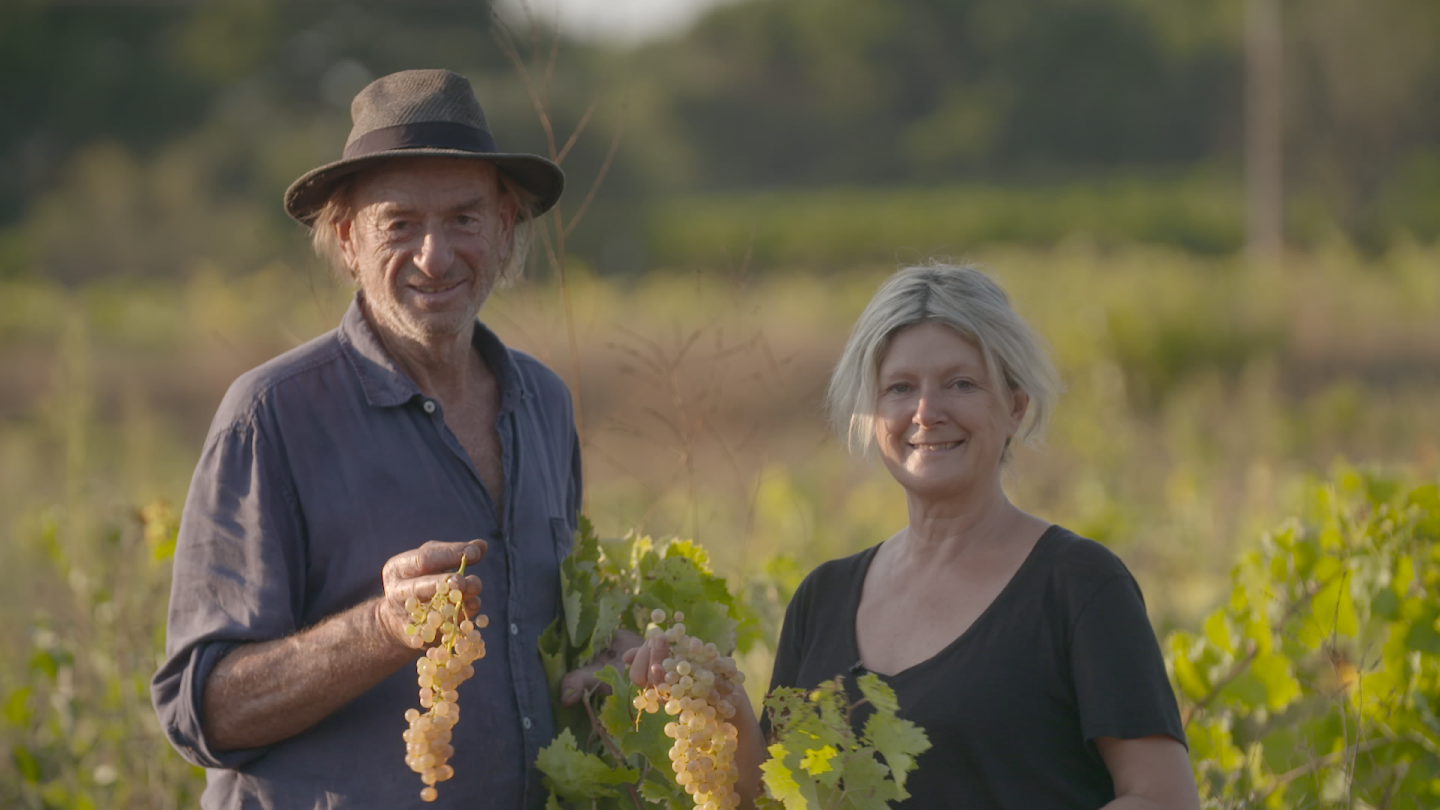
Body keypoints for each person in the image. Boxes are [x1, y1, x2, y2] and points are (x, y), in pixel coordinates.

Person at [151, 69, 590, 809]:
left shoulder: (543, 402)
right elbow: (204, 713)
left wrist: (605, 671)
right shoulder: (271, 416)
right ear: (349, 238)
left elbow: (540, 648)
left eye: (463, 219)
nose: (434, 256)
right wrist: (382, 630)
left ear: (506, 225)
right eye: (399, 225)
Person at [629, 263, 1199, 809]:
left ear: (1015, 408)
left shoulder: (1078, 586)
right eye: (900, 388)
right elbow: (779, 799)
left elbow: (1163, 798)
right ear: (872, 415)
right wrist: (721, 708)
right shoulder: (822, 598)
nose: (927, 412)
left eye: (960, 383)